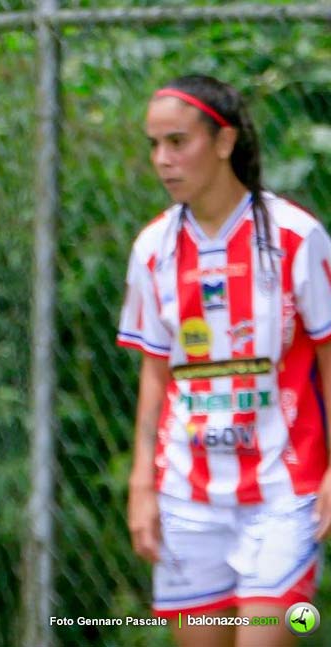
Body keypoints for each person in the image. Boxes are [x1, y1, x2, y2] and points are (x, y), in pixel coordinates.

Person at [118, 75, 331, 646]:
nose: (162, 160)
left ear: (224, 141)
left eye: (177, 142)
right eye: (154, 144)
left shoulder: (295, 236)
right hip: (188, 493)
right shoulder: (152, 248)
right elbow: (154, 371)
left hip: (283, 490)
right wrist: (143, 483)